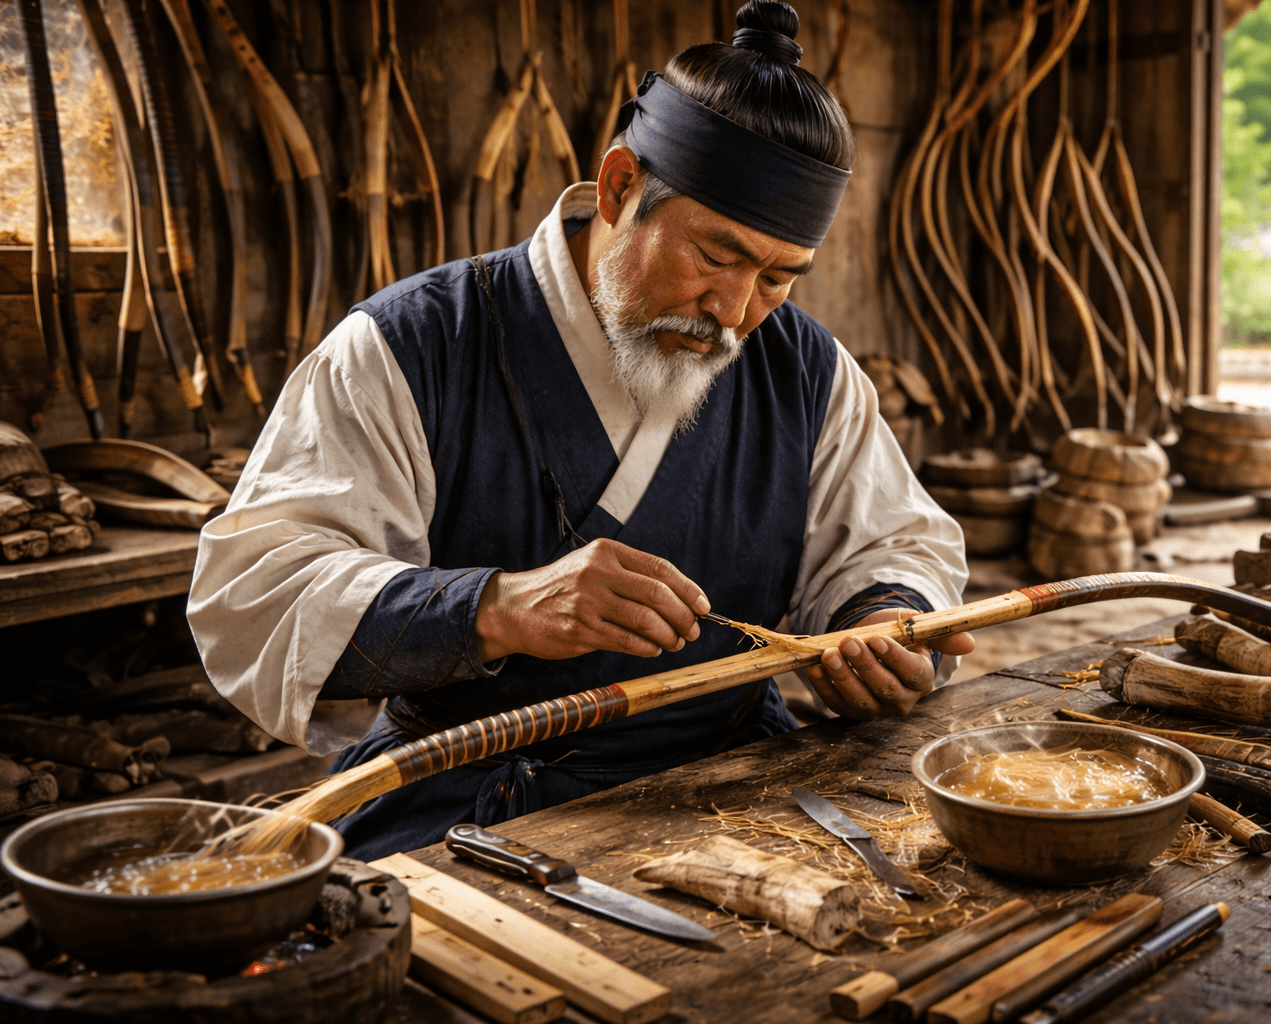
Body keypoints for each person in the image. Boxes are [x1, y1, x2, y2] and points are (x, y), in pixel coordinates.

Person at [187, 0, 971, 860]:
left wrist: (887, 623)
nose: (736, 313)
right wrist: (494, 607)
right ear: (621, 187)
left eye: (780, 278)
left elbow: (895, 546)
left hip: (740, 791)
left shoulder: (804, 368)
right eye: (714, 258)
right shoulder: (413, 344)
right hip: (472, 798)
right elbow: (255, 594)